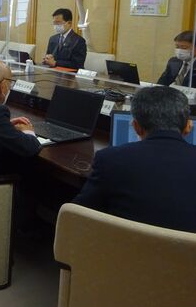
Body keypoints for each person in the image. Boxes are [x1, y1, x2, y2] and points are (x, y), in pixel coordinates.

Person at [74, 87, 196, 232]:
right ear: (188, 127)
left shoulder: (110, 159)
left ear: (136, 127)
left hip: (123, 252)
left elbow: (78, 214)